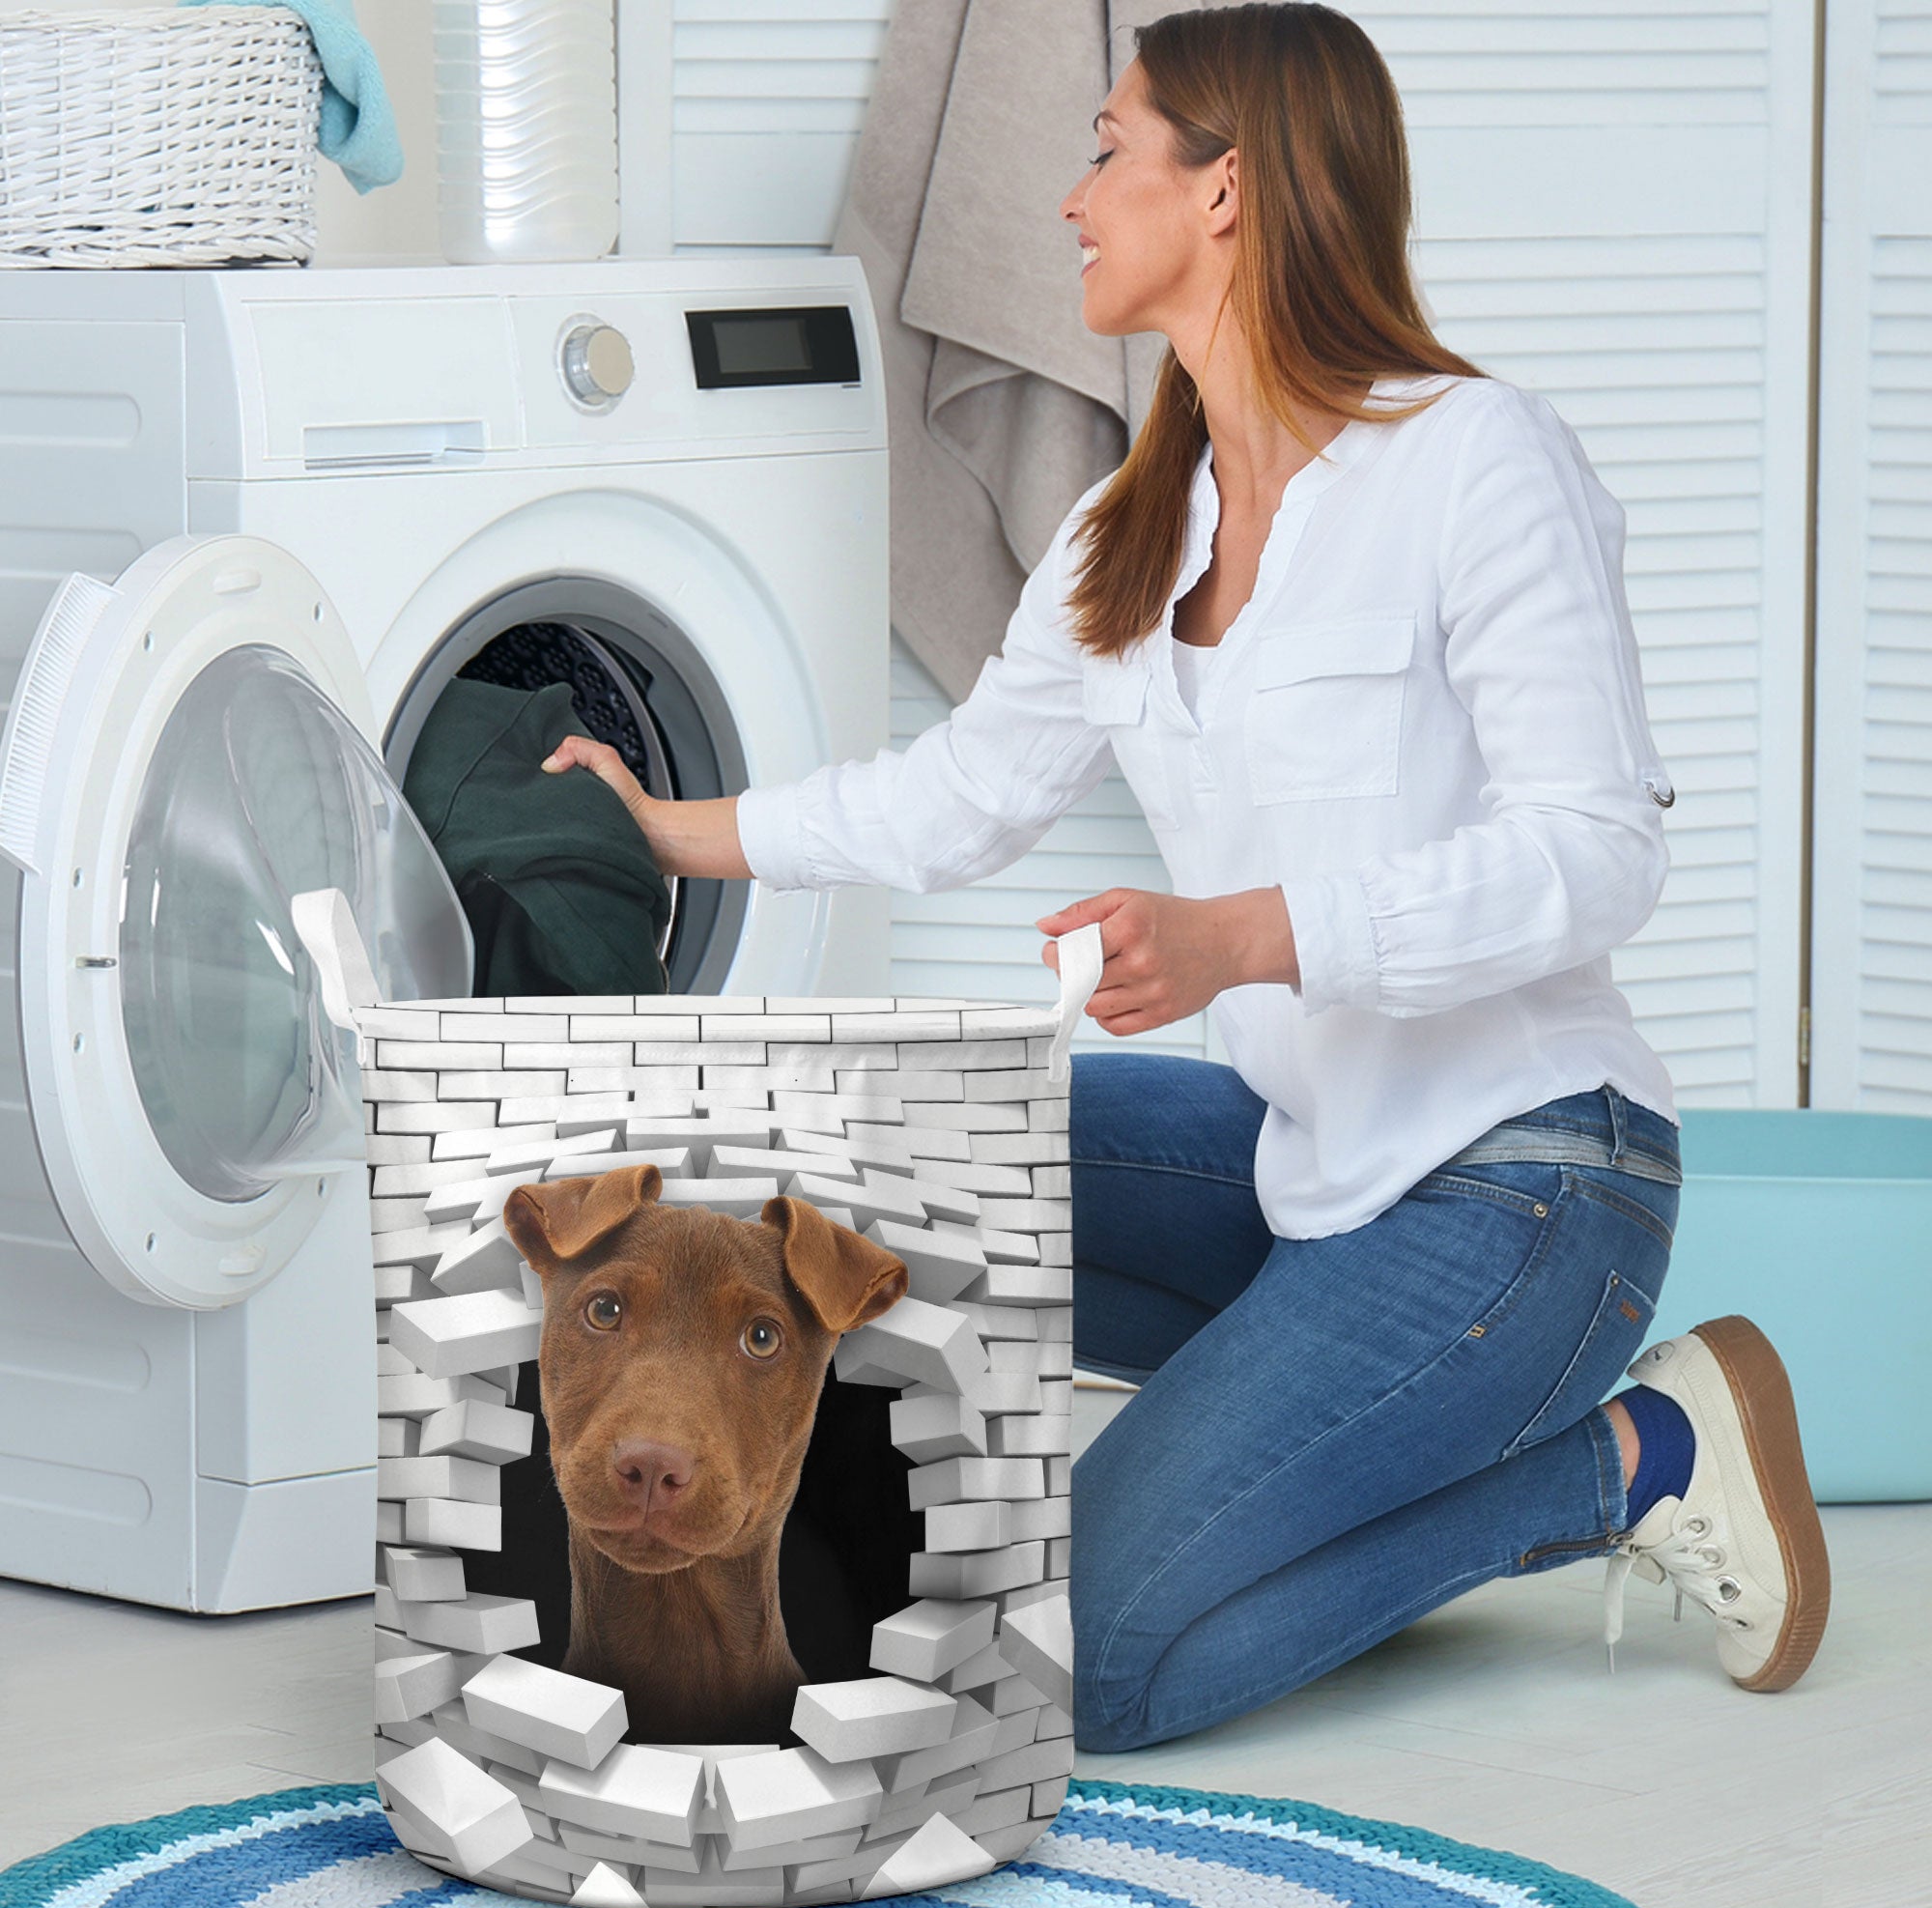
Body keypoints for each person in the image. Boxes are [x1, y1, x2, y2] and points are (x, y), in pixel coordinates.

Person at [542, 0, 1830, 1753]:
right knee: (881, 1171)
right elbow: (962, 797)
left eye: (1106, 150)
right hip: (1313, 1172)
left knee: (1097, 1663)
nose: (1069, 198)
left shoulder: (1472, 459)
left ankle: (1634, 1462)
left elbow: (1599, 857)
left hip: (1528, 1187)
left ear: (1225, 191)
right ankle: (1165, 1467)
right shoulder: (1128, 527)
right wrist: (682, 825)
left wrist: (1249, 939)